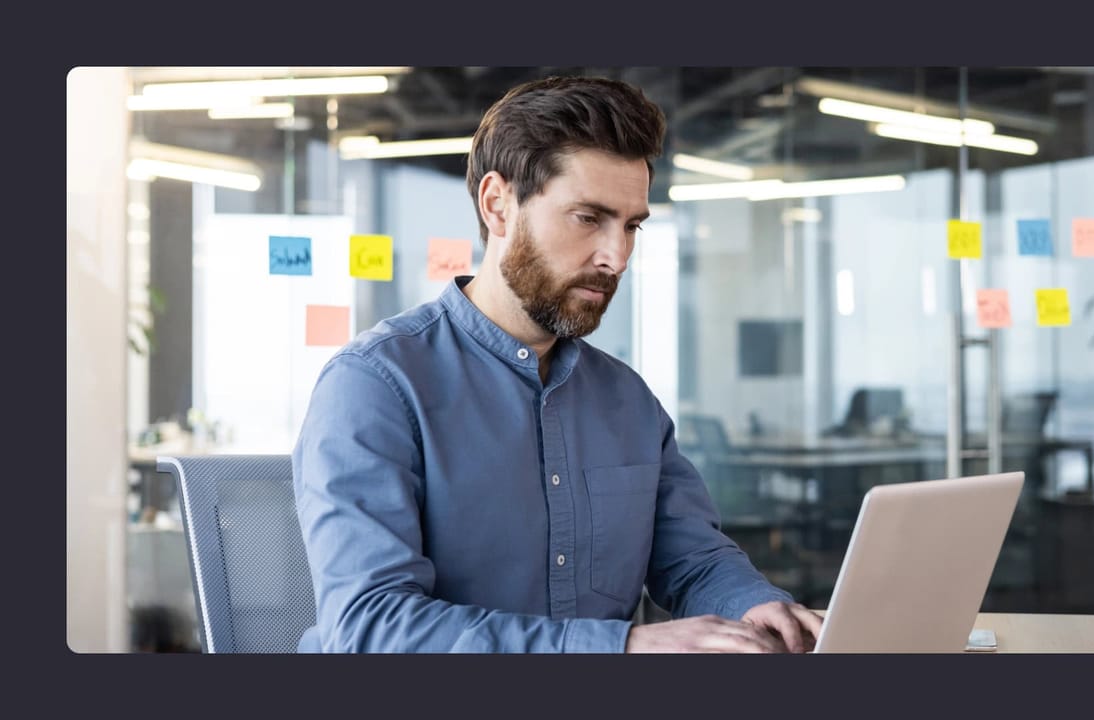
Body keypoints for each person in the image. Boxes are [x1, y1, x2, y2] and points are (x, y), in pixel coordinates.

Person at [292, 75, 823, 653]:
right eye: (588, 218)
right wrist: (622, 647)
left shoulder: (627, 401)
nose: (615, 257)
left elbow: (693, 559)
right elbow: (370, 628)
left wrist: (758, 608)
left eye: (632, 225)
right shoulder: (376, 385)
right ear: (498, 205)